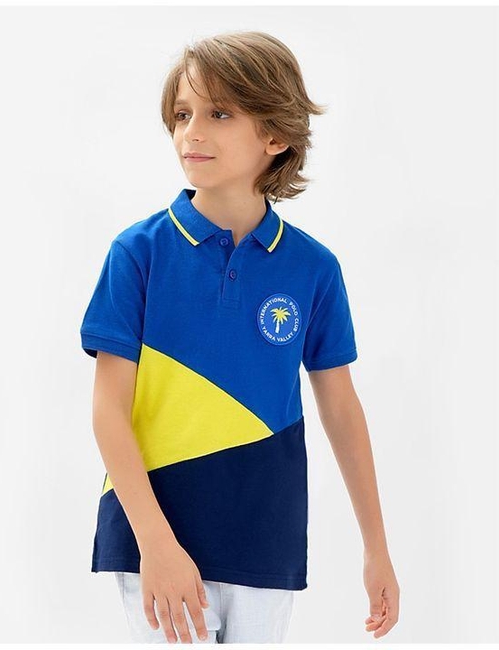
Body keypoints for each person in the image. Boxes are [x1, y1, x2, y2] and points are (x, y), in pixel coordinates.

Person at [80, 30, 400, 644]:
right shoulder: (138, 254)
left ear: (275, 136)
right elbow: (107, 410)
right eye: (182, 114)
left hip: (265, 539)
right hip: (154, 537)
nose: (191, 133)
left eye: (219, 114)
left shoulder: (313, 269)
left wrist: (376, 548)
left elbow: (341, 408)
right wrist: (156, 544)